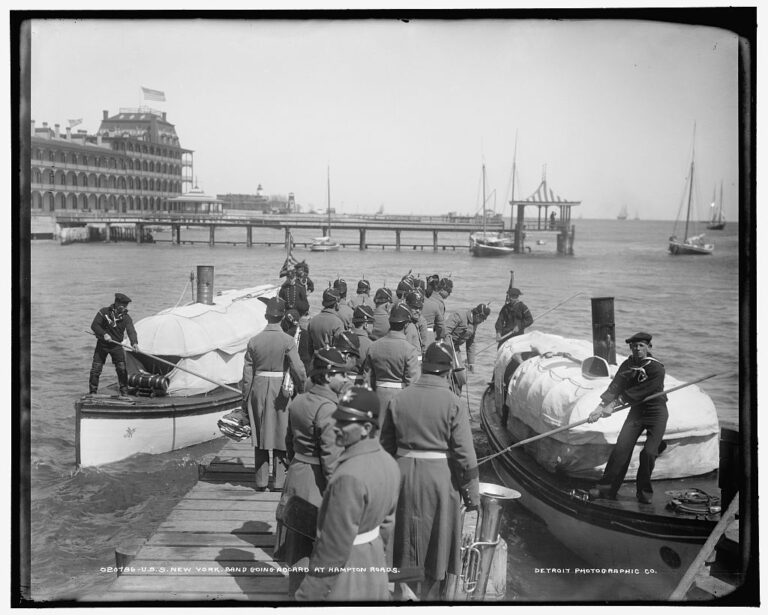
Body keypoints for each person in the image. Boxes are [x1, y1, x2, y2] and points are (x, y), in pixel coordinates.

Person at [380, 341, 480, 600]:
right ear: (448, 371)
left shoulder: (398, 398)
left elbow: (385, 447)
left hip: (402, 478)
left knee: (404, 543)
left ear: (424, 367)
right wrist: (472, 497)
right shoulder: (454, 403)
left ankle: (403, 595)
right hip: (439, 480)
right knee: (438, 545)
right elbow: (465, 457)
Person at [295, 386, 400, 602]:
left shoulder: (348, 476)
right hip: (374, 566)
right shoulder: (389, 463)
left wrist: (306, 596)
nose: (336, 427)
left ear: (366, 427)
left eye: (345, 422)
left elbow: (332, 548)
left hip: (347, 576)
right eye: (338, 419)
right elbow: (388, 526)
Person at [275, 347, 348, 598]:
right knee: (321, 546)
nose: (346, 379)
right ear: (328, 376)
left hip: (297, 473)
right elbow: (331, 459)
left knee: (297, 546)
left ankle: (295, 596)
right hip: (317, 483)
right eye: (341, 374)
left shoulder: (299, 400)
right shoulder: (328, 409)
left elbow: (288, 441)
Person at [587, 332, 668, 504]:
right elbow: (616, 386)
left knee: (648, 453)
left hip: (656, 412)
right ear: (630, 348)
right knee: (621, 449)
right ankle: (606, 489)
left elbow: (641, 391)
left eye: (641, 346)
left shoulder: (656, 368)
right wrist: (600, 407)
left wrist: (615, 404)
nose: (637, 349)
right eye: (634, 346)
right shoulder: (627, 364)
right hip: (637, 412)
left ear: (648, 347)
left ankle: (644, 494)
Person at [243, 297, 307, 491]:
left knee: (261, 434)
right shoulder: (288, 340)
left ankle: (261, 481)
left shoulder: (254, 341)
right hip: (281, 389)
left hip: (259, 387)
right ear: (282, 317)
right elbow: (298, 369)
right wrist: (302, 389)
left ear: (266, 316)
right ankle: (279, 482)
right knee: (281, 433)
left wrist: (245, 401)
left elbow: (247, 377)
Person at [364, 304, 421, 414]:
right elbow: (412, 382)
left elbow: (368, 377)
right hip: (401, 400)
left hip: (377, 399)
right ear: (406, 325)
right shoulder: (409, 350)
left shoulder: (373, 346)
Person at [88, 292, 139, 396]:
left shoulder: (126, 318)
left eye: (125, 306)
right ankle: (92, 393)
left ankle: (124, 393)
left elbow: (131, 331)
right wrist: (104, 334)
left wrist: (134, 343)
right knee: (96, 369)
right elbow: (94, 325)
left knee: (122, 369)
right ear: (116, 303)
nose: (124, 307)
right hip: (102, 345)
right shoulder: (103, 312)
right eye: (122, 305)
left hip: (116, 346)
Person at [445, 303, 491, 374]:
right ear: (478, 315)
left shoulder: (475, 323)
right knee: (447, 371)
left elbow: (471, 342)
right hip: (445, 345)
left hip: (455, 349)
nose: (483, 321)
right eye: (483, 318)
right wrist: (448, 353)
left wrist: (471, 362)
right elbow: (445, 331)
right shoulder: (460, 315)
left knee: (460, 375)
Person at [307, 288, 344, 357]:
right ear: (336, 303)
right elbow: (340, 349)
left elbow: (309, 348)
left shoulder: (313, 321)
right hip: (331, 362)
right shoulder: (337, 323)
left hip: (316, 362)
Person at [422, 278, 449, 345]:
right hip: (431, 336)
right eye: (449, 291)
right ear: (442, 290)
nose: (449, 294)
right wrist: (441, 338)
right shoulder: (437, 304)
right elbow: (440, 324)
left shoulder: (411, 302)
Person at [404, 290, 428, 358]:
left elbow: (424, 344)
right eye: (414, 307)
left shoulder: (421, 321)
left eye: (420, 308)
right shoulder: (400, 319)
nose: (418, 311)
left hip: (416, 357)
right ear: (407, 306)